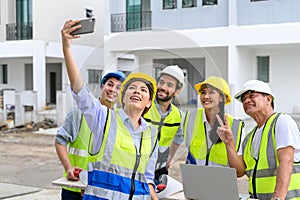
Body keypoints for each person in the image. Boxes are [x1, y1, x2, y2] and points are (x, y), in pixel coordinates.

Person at [61, 19, 159, 200]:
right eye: (132, 87)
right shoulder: (104, 119)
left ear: (148, 103)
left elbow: (148, 180)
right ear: (124, 97)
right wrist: (67, 48)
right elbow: (80, 92)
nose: (137, 91)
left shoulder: (151, 136)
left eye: (143, 90)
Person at [219, 80, 300, 200]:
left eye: (252, 96)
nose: (246, 101)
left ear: (268, 99)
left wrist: (278, 197)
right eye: (243, 99)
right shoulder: (249, 137)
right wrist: (229, 143)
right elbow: (239, 171)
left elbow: (286, 161)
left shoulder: (282, 121)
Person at [55, 70, 126, 200]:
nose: (113, 90)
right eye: (110, 84)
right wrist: (68, 167)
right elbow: (60, 141)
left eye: (119, 88)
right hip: (75, 187)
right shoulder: (79, 113)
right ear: (102, 87)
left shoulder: (120, 120)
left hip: (102, 189)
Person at [183, 76, 244, 170]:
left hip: (221, 183)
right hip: (195, 180)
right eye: (203, 92)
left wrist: (229, 144)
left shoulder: (236, 126)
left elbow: (240, 171)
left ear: (221, 98)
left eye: (211, 92)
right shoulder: (190, 118)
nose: (206, 96)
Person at [143, 65, 184, 184]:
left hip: (160, 170)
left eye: (169, 85)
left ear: (177, 91)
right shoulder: (143, 106)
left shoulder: (178, 115)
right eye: (161, 82)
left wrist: (170, 157)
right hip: (138, 168)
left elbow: (179, 137)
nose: (163, 87)